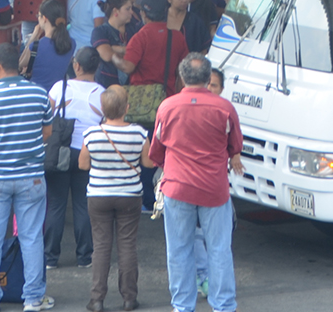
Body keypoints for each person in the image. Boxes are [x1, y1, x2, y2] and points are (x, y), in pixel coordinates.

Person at [148, 53, 245, 312]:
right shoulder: (224, 108)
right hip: (214, 188)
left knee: (179, 251)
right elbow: (235, 146)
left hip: (177, 187)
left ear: (181, 77)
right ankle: (223, 305)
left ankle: (182, 306)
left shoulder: (167, 107)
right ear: (208, 77)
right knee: (219, 250)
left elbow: (156, 152)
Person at [0, 42, 55, 312]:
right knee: (31, 238)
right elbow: (47, 132)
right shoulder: (39, 94)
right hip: (31, 177)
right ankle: (32, 299)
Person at [80, 86, 151, 312]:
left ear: (102, 109)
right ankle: (129, 297)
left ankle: (97, 299)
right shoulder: (139, 133)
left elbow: (83, 164)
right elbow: (149, 163)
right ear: (126, 108)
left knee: (101, 247)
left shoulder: (91, 134)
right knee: (127, 245)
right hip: (130, 195)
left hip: (99, 195)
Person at [45, 47, 104, 271]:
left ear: (76, 65)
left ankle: (50, 257)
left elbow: (46, 117)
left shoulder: (59, 88)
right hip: (87, 154)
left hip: (59, 152)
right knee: (83, 205)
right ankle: (84, 257)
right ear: (97, 67)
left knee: (56, 205)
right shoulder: (101, 93)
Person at [21, 0, 78, 92]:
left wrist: (34, 37)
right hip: (57, 94)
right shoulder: (71, 43)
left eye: (38, 16)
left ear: (44, 19)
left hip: (36, 93)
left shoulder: (36, 45)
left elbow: (21, 63)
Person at [92, 0, 135, 88]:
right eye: (127, 9)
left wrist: (114, 48)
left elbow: (141, 52)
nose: (131, 12)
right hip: (106, 83)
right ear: (116, 11)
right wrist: (129, 50)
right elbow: (107, 55)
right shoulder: (100, 31)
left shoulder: (134, 29)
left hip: (131, 84)